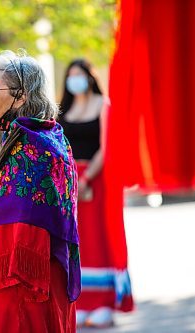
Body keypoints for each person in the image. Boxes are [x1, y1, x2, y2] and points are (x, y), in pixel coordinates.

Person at [0, 50, 79, 332]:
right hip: (7, 277)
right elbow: (18, 207)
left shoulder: (38, 147)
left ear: (21, 96)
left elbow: (36, 232)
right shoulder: (24, 139)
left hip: (25, 288)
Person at [59, 59, 134, 328]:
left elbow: (107, 145)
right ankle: (80, 301)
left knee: (99, 237)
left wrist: (86, 177)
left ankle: (103, 302)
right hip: (68, 183)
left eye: (79, 74)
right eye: (71, 74)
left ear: (90, 77)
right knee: (75, 240)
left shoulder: (104, 105)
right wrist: (70, 179)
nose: (75, 79)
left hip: (96, 181)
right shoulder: (63, 110)